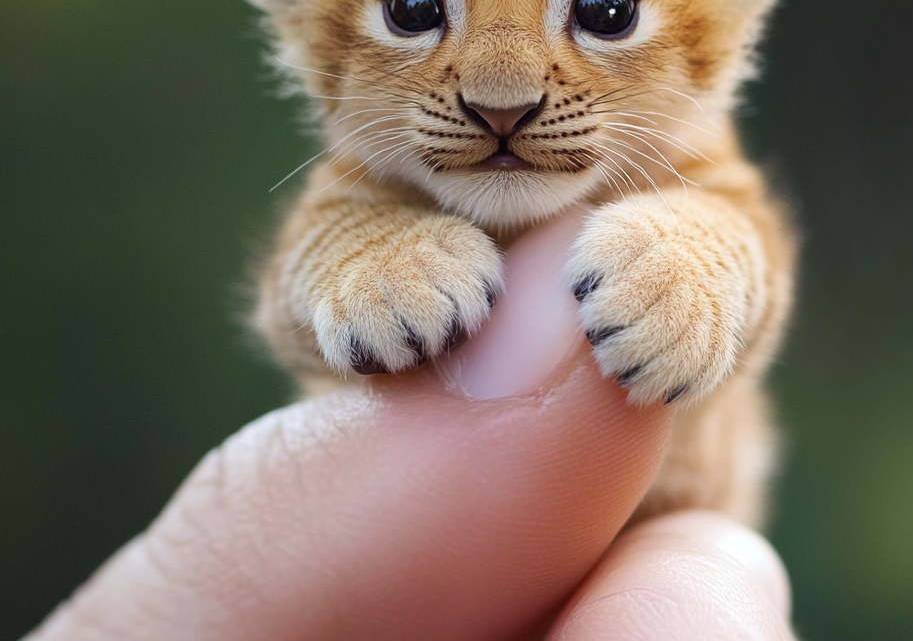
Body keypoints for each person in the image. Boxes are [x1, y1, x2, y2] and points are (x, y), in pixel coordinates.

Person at [27, 210, 797, 640]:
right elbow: (297, 282)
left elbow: (741, 242)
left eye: (603, 10)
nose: (506, 85)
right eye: (416, 9)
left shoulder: (692, 164)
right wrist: (362, 260)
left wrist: (697, 262)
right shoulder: (357, 195)